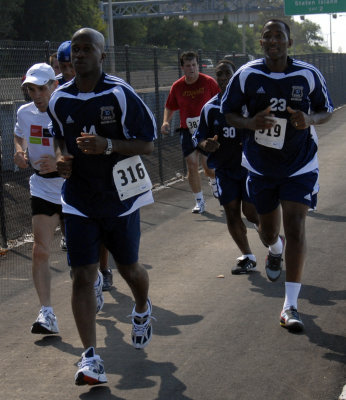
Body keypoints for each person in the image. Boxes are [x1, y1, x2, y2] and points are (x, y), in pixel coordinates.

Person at [48, 27, 156, 385]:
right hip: (79, 199)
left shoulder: (120, 94)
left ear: (101, 55)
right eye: (74, 50)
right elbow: (61, 140)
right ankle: (90, 358)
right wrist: (62, 159)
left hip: (119, 199)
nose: (79, 55)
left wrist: (107, 145)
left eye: (86, 49)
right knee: (82, 275)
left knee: (130, 269)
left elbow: (147, 143)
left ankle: (141, 308)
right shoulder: (58, 99)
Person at [221, 19, 333, 332]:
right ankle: (274, 250)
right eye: (267, 36)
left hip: (300, 163)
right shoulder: (246, 75)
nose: (273, 41)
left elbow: (327, 110)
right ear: (260, 42)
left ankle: (290, 306)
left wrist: (308, 118)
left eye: (279, 36)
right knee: (268, 230)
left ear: (289, 42)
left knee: (296, 224)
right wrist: (249, 123)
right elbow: (227, 112)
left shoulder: (308, 74)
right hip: (260, 166)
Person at [14, 63, 104, 335]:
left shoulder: (70, 109)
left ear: (54, 85)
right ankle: (47, 314)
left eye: (42, 88)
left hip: (72, 186)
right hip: (41, 187)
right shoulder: (24, 112)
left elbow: (87, 148)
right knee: (40, 249)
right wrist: (19, 152)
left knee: (79, 260)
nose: (37, 95)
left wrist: (60, 163)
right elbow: (19, 136)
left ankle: (96, 279)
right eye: (31, 89)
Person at [56, 39, 113, 291]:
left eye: (71, 64)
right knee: (79, 263)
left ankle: (103, 270)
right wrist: (62, 155)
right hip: (75, 182)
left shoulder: (111, 91)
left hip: (106, 181)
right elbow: (56, 133)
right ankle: (89, 279)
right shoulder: (58, 93)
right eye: (64, 65)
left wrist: (108, 146)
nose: (69, 70)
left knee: (102, 233)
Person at [193, 60, 259, 275]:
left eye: (227, 73)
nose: (223, 77)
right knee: (231, 213)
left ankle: (273, 238)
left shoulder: (248, 105)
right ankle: (247, 256)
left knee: (250, 213)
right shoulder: (210, 108)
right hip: (224, 169)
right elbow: (200, 139)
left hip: (249, 168)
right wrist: (207, 145)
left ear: (235, 75)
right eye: (219, 74)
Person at [161, 51, 220, 213]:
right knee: (191, 164)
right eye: (188, 66)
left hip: (207, 130)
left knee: (208, 167)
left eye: (194, 65)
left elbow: (220, 101)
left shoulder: (208, 82)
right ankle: (199, 201)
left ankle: (214, 183)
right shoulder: (177, 86)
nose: (192, 68)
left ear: (198, 65)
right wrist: (166, 121)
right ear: (182, 68)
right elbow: (170, 106)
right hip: (188, 130)